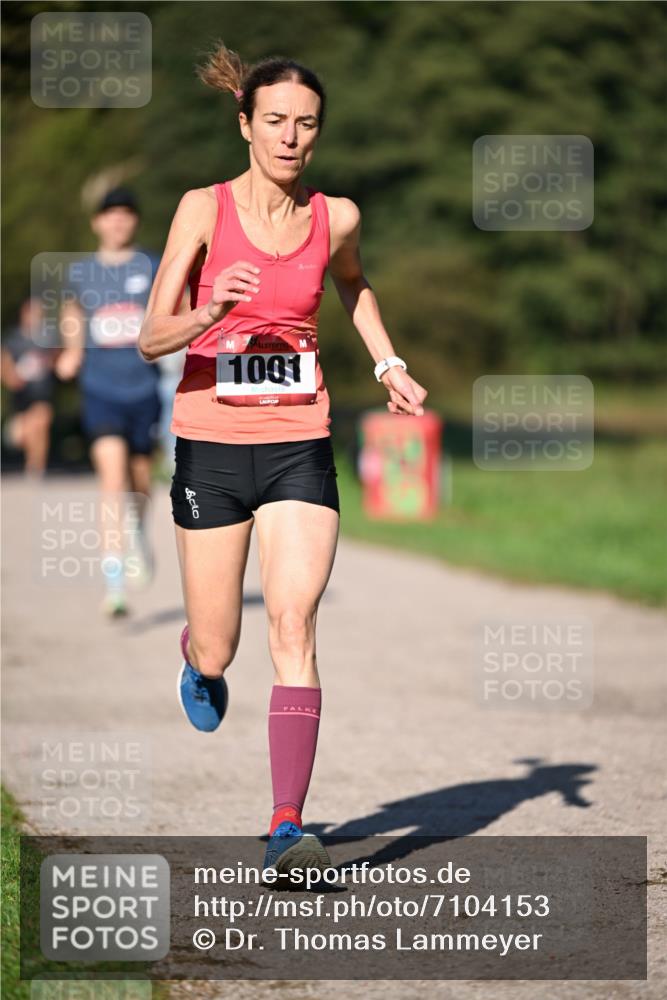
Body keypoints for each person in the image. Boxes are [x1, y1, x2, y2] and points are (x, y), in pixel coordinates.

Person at [138, 45, 428, 876]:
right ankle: (196, 652)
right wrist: (208, 310)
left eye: (306, 123)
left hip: (300, 438)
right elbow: (151, 336)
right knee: (222, 650)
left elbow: (354, 284)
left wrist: (387, 362)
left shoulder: (335, 215)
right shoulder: (201, 209)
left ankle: (286, 824)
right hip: (211, 445)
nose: (291, 137)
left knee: (295, 622)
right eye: (275, 122)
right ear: (245, 125)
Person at [56, 188, 161, 617]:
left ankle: (137, 530)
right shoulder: (81, 273)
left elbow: (173, 311)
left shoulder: (152, 266)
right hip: (100, 390)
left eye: (125, 214)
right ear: (96, 222)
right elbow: (72, 315)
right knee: (112, 480)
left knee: (138, 480)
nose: (118, 222)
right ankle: (114, 585)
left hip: (144, 390)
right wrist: (71, 351)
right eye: (110, 215)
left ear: (134, 221)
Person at [1, 297, 56, 477]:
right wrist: (11, 377)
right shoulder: (13, 338)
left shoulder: (48, 338)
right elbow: (4, 362)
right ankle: (26, 451)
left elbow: (57, 358)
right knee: (21, 435)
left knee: (41, 424)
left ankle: (35, 467)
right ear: (24, 314)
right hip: (20, 395)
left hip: (41, 393)